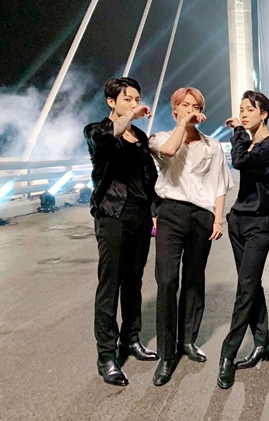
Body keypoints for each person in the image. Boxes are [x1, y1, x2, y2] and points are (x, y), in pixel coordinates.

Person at [148, 87, 233, 386]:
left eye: (195, 106)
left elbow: (219, 185)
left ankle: (187, 340)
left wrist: (218, 219)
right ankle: (166, 354)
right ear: (174, 110)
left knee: (194, 279)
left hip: (202, 216)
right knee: (167, 280)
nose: (190, 110)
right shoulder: (160, 138)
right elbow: (170, 152)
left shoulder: (213, 146)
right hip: (171, 212)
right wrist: (183, 125)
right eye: (184, 106)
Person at [83, 77, 159, 387]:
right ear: (111, 102)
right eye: (128, 98)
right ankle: (106, 355)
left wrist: (154, 212)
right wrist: (130, 115)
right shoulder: (96, 130)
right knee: (110, 284)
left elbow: (148, 178)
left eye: (137, 99)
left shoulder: (139, 136)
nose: (135, 103)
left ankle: (131, 339)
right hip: (112, 215)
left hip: (140, 217)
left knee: (134, 282)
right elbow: (106, 140)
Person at [217, 91, 269, 389]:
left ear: (264, 114)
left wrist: (237, 133)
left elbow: (239, 161)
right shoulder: (252, 142)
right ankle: (263, 344)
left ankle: (227, 355)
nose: (244, 114)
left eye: (250, 110)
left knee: (245, 288)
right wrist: (242, 134)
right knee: (251, 284)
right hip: (238, 220)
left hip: (260, 222)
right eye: (241, 109)